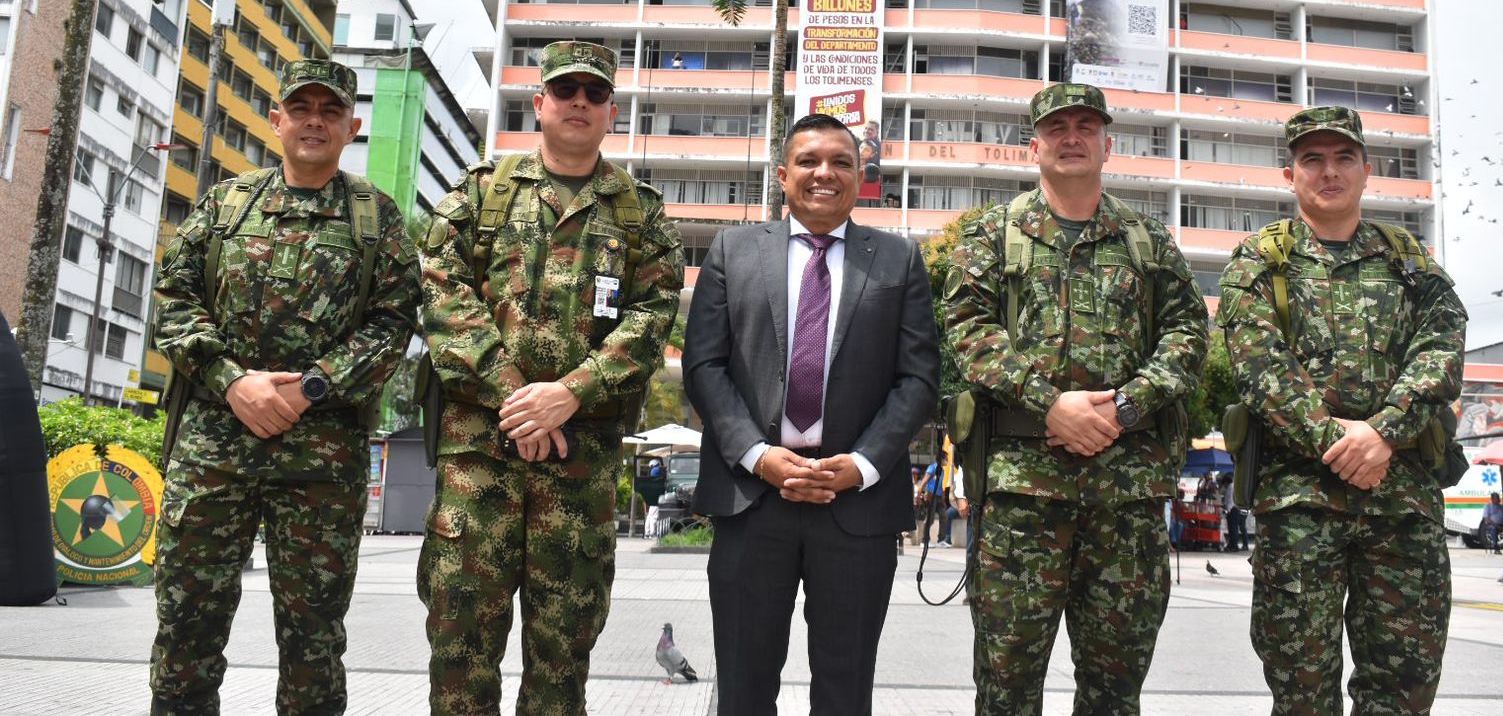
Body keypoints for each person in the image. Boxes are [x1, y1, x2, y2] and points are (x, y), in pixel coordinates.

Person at [417, 41, 684, 715]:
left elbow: (653, 317)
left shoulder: (639, 213)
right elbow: (442, 298)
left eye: (594, 95)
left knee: (563, 654)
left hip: (579, 464)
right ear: (539, 104)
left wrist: (570, 394)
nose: (579, 104)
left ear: (610, 112)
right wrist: (518, 398)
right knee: (460, 648)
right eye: (566, 91)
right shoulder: (482, 194)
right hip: (480, 458)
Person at [149, 59, 422, 714]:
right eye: (302, 109)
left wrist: (314, 388)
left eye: (330, 112)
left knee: (313, 643)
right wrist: (230, 380)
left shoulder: (376, 221)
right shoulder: (225, 206)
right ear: (277, 120)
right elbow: (172, 302)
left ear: (352, 127)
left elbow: (392, 324)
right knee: (186, 630)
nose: (314, 122)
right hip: (214, 453)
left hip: (321, 463)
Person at [944, 82, 1208, 716]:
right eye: (1057, 128)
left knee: (1115, 692)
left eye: (1085, 127)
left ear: (1106, 145)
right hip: (1021, 498)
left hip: (1127, 499)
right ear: (1034, 146)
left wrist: (1128, 406)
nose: (1071, 138)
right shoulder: (991, 235)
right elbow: (966, 329)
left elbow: (1189, 332)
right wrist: (1047, 403)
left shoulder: (1147, 240)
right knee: (1006, 689)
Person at [683, 113, 939, 716]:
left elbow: (919, 378)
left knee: (846, 691)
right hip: (752, 500)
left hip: (855, 507)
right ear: (782, 176)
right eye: (809, 161)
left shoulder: (899, 260)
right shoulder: (732, 250)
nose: (825, 173)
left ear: (860, 175)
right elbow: (704, 366)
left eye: (841, 162)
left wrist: (864, 463)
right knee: (743, 690)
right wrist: (757, 454)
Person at [1219, 105, 1466, 715]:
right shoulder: (1260, 261)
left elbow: (1443, 344)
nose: (1329, 171)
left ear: (1366, 168)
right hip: (1300, 506)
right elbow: (1260, 367)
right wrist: (1343, 442)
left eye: (1343, 158)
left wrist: (1383, 433)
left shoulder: (1408, 259)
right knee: (1302, 693)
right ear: (1290, 174)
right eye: (1312, 160)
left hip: (1403, 503)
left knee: (1404, 690)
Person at [1221, 473, 1249, 553]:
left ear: (1226, 482)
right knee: (1234, 528)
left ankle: (1234, 545)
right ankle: (1233, 544)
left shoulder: (1230, 487)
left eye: (1224, 484)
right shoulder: (1233, 486)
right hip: (1235, 509)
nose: (1224, 486)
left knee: (1233, 529)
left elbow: (1230, 500)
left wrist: (1227, 509)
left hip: (1233, 510)